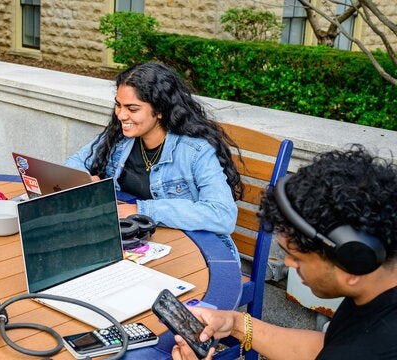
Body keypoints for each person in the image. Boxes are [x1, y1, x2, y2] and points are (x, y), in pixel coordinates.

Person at [172, 145, 397, 360]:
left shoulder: (371, 351)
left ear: (355, 262)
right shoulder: (377, 288)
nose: (288, 263)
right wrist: (236, 324)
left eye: (298, 258)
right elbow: (324, 347)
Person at [65, 62, 243, 256]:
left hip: (194, 252)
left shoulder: (194, 151)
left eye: (132, 109)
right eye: (118, 105)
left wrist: (142, 208)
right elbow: (75, 163)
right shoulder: (119, 137)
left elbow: (223, 214)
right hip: (137, 243)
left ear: (159, 110)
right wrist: (84, 181)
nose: (121, 115)